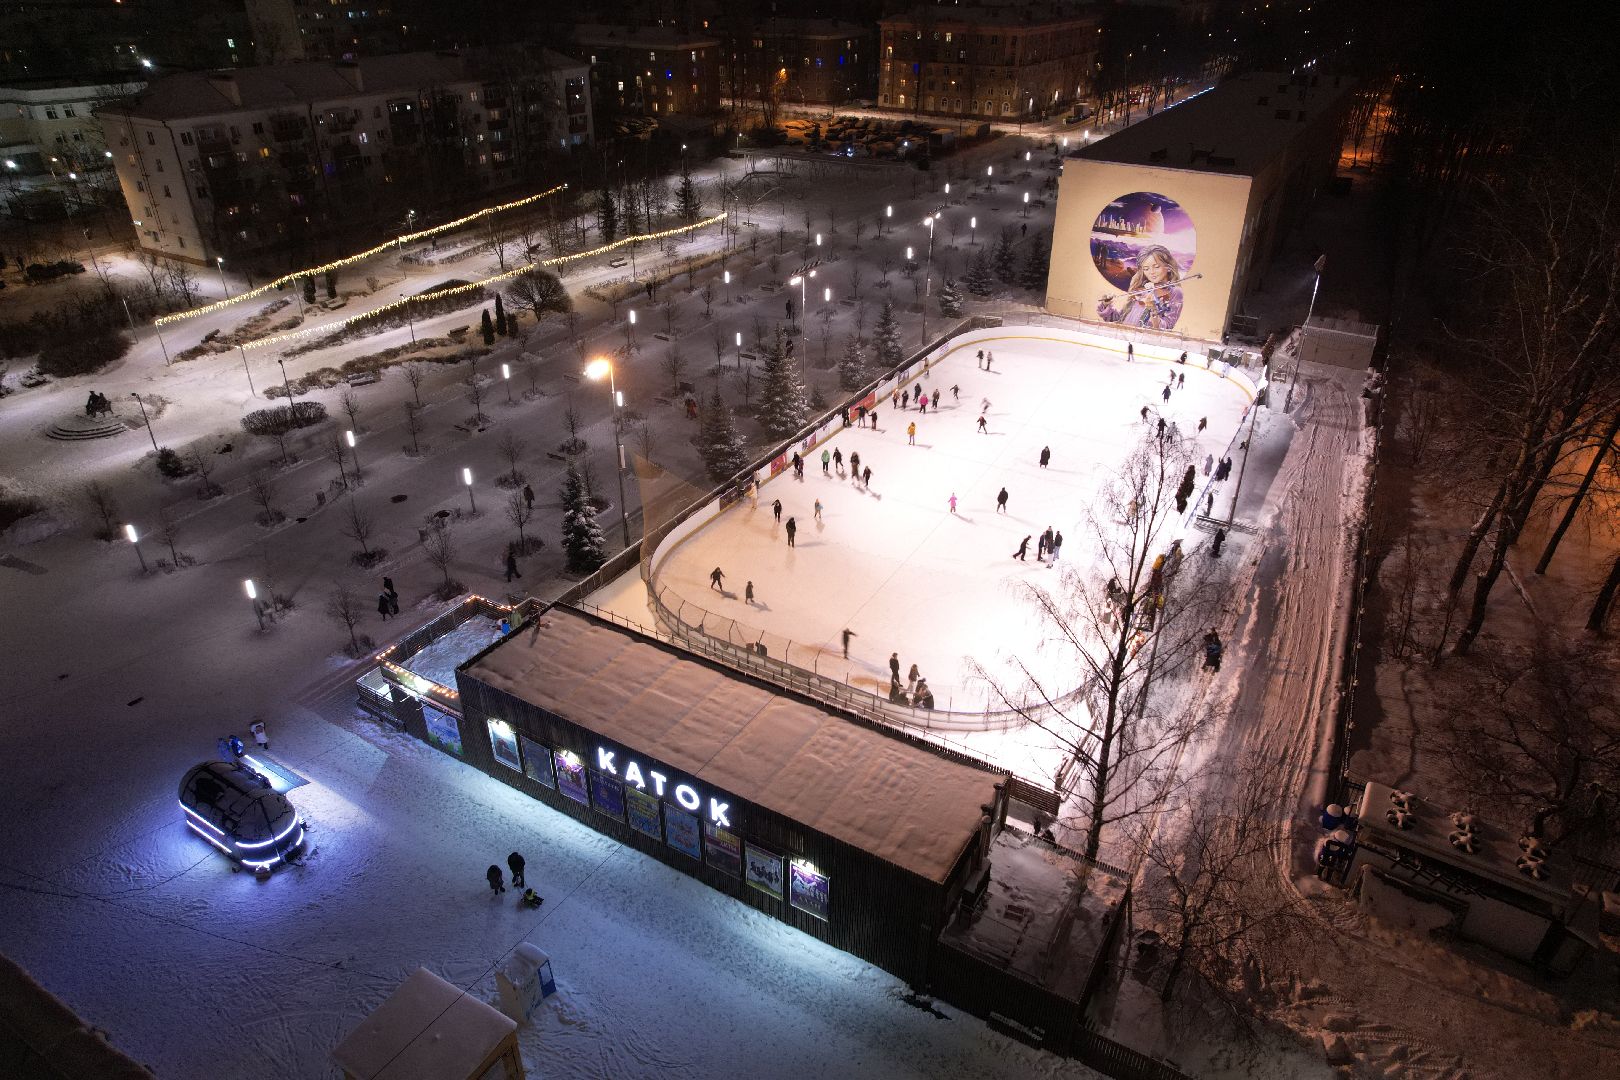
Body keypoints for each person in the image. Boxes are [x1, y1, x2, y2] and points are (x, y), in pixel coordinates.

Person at [1097, 245, 1185, 330]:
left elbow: (1167, 327)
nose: (1151, 272)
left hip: (1144, 339)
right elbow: (1120, 319)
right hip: (1126, 336)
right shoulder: (1141, 290)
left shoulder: (1175, 292)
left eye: (1156, 267)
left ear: (1168, 267)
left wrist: (1153, 309)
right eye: (1146, 269)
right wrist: (1106, 304)